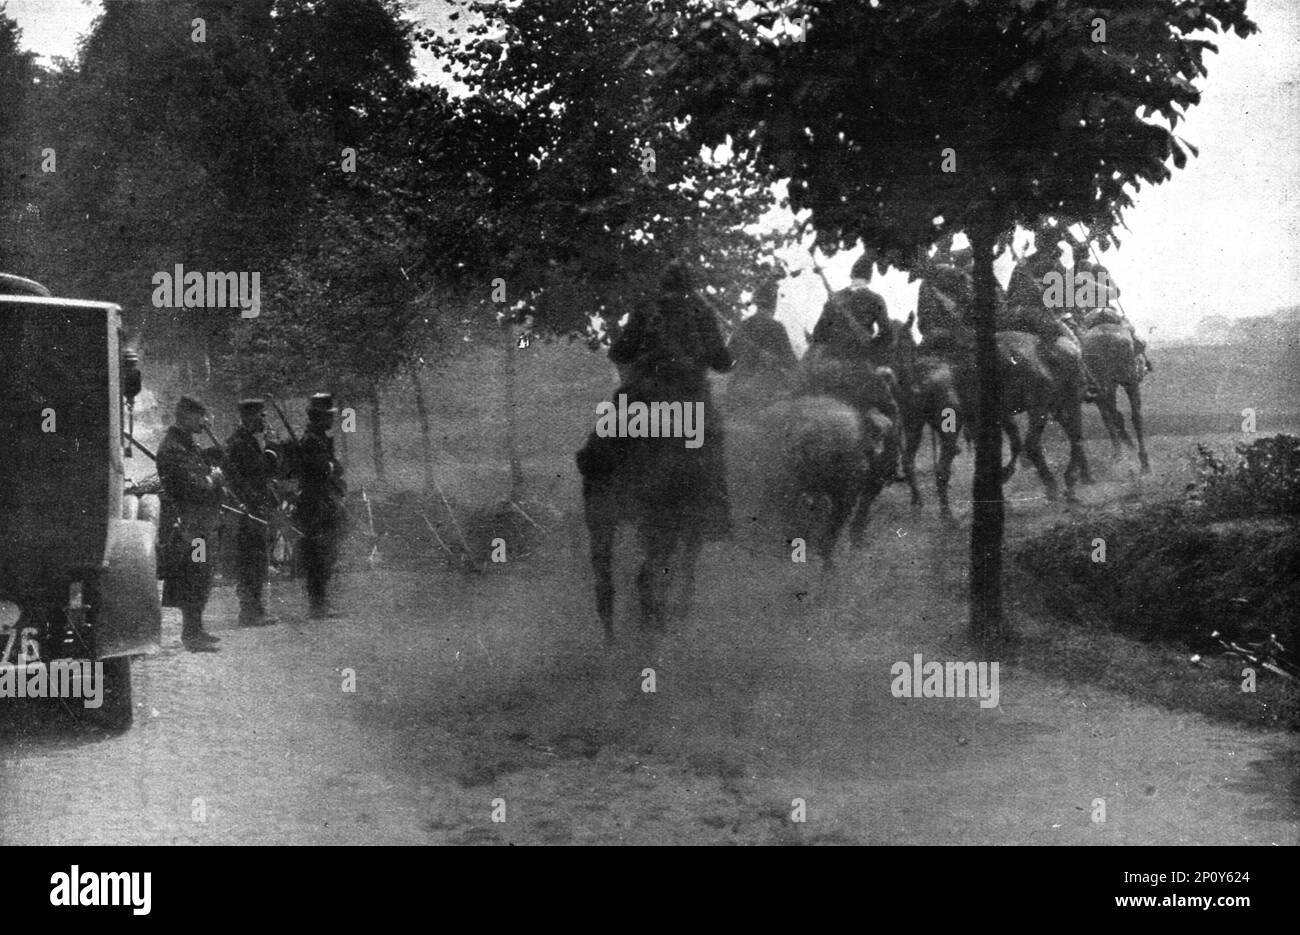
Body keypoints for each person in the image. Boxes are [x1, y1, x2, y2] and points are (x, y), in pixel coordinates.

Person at [576, 259, 736, 540]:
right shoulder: (702, 311)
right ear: (691, 286)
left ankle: (596, 486)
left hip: (642, 395)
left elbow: (619, 354)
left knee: (602, 439)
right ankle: (716, 508)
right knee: (713, 444)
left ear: (663, 284)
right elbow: (722, 363)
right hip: (689, 399)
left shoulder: (645, 308)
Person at [157, 395, 224, 652]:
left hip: (199, 523)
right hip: (190, 526)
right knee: (195, 576)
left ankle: (195, 630)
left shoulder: (187, 445)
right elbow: (192, 487)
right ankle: (192, 635)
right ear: (185, 416)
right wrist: (213, 479)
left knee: (201, 575)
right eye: (199, 416)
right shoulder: (173, 448)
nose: (204, 421)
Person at [1004, 225, 1100, 399]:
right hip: (1043, 317)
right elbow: (1066, 298)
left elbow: (1009, 294)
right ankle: (1086, 383)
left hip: (1015, 316)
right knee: (1075, 346)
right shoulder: (1056, 267)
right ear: (1053, 244)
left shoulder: (1022, 264)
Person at [224, 398, 280, 627]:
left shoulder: (244, 441)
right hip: (249, 509)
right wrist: (272, 447)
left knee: (256, 559)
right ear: (248, 417)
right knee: (252, 560)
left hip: (254, 507)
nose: (264, 420)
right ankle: (250, 612)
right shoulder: (240, 444)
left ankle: (254, 609)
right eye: (261, 415)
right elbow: (263, 470)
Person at [290, 393, 347, 618]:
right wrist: (331, 466)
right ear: (319, 417)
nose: (332, 419)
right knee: (317, 554)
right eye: (328, 415)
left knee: (326, 553)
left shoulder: (320, 439)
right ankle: (317, 605)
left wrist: (332, 467)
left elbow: (335, 468)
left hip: (324, 501)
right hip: (315, 504)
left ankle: (321, 602)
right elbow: (324, 469)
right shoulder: (312, 441)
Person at [1072, 239, 1154, 375]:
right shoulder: (1097, 269)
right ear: (1088, 254)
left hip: (1085, 317)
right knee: (1133, 335)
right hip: (1106, 312)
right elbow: (1115, 292)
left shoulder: (1073, 274)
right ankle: (1142, 363)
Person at [728, 276, 797, 396]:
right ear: (774, 304)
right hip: (765, 392)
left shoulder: (743, 325)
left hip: (737, 387)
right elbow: (792, 363)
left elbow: (728, 357)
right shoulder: (776, 327)